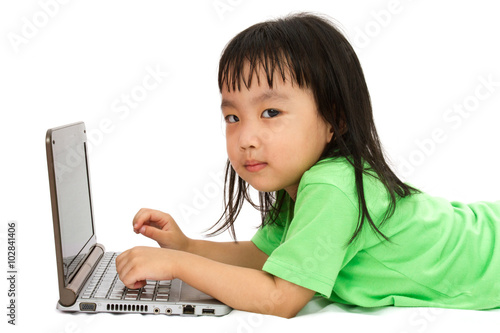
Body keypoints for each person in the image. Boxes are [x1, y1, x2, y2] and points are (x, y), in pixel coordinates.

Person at [115, 13, 500, 318]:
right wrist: (186, 247)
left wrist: (178, 264)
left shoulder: (333, 186)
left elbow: (280, 298)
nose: (246, 137)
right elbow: (266, 257)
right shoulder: (301, 182)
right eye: (233, 117)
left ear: (334, 118)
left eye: (270, 112)